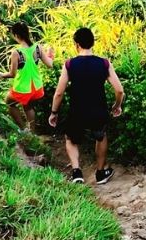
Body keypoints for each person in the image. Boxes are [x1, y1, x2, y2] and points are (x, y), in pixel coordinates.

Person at [48, 27, 123, 185]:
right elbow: (119, 90)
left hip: (77, 112)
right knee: (100, 136)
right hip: (98, 110)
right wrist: (117, 105)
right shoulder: (104, 63)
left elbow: (59, 93)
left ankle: (76, 172)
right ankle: (101, 173)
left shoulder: (70, 64)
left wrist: (54, 112)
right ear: (92, 43)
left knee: (70, 138)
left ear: (76, 44)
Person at [0, 22, 53, 129]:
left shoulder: (16, 52)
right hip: (36, 87)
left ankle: (23, 129)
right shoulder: (38, 47)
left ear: (16, 35)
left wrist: (0, 75)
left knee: (9, 103)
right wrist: (50, 54)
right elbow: (50, 64)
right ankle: (31, 133)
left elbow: (12, 74)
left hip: (23, 88)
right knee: (28, 108)